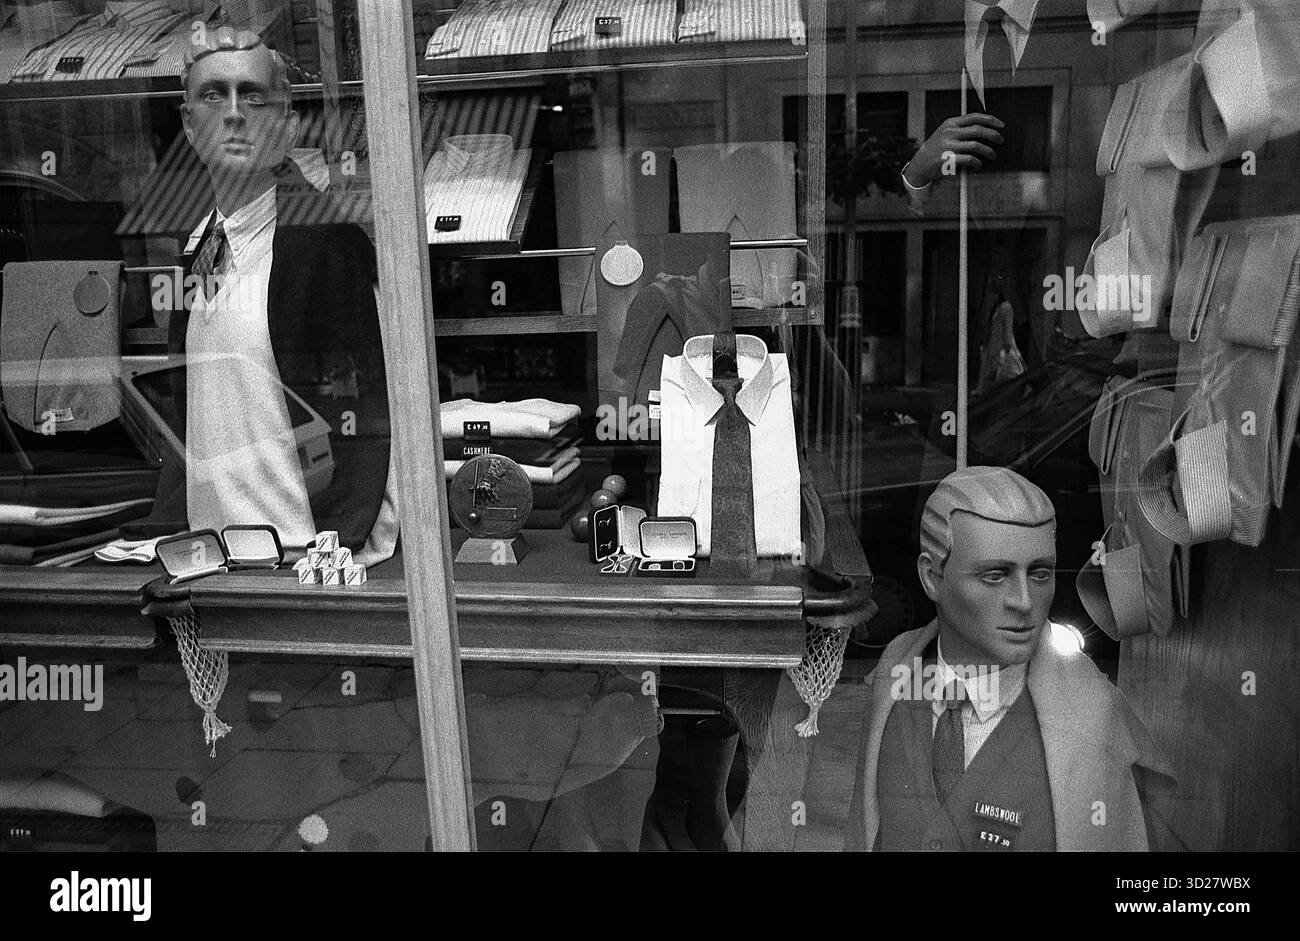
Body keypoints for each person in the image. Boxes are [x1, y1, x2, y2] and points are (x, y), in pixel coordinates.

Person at [127, 26, 396, 562]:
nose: (233, 113)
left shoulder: (328, 247)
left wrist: (342, 540)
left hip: (302, 553)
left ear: (289, 124)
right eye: (212, 95)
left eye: (253, 95)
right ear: (188, 122)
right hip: (211, 556)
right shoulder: (201, 242)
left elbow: (370, 412)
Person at [845, 465, 1181, 851]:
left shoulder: (1092, 720)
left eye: (1040, 574)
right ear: (932, 578)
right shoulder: (895, 674)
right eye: (995, 575)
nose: (1024, 602)